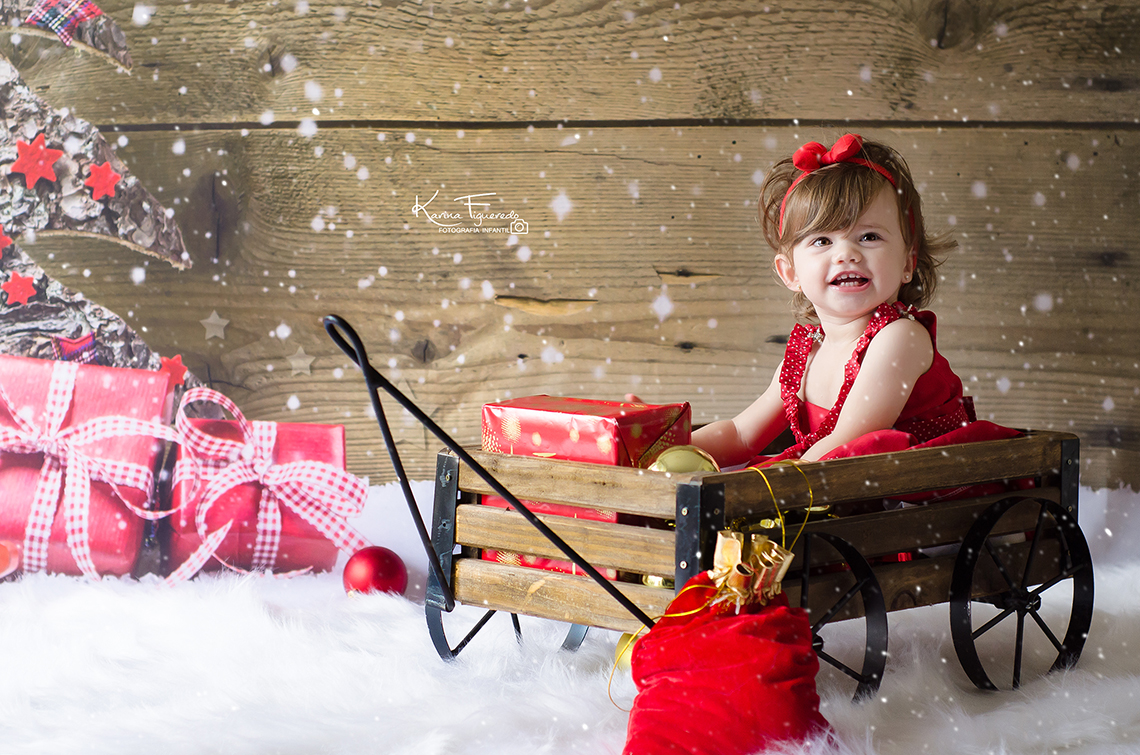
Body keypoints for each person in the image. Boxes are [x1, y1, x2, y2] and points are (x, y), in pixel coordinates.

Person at [686, 133, 1017, 469]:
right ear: (790, 273)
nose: (846, 253)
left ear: (907, 262)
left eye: (869, 236)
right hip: (834, 488)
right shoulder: (807, 353)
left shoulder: (899, 337)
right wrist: (660, 447)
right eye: (822, 240)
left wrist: (766, 484)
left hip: (915, 492)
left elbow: (846, 441)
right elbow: (741, 435)